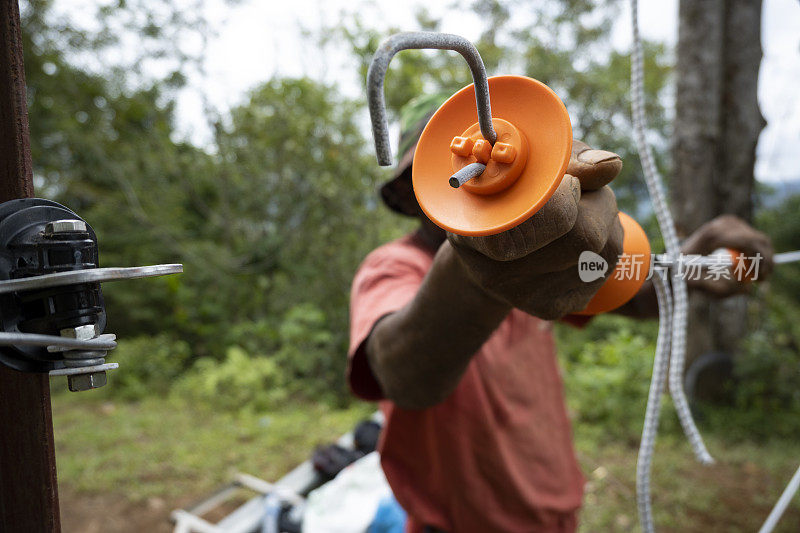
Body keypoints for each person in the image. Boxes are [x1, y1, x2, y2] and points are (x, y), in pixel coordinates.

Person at [347, 93, 774, 533]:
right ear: (406, 192)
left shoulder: (538, 264)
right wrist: (482, 268)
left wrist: (691, 264)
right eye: (432, 169)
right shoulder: (393, 267)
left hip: (554, 515)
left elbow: (627, 293)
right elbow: (402, 376)